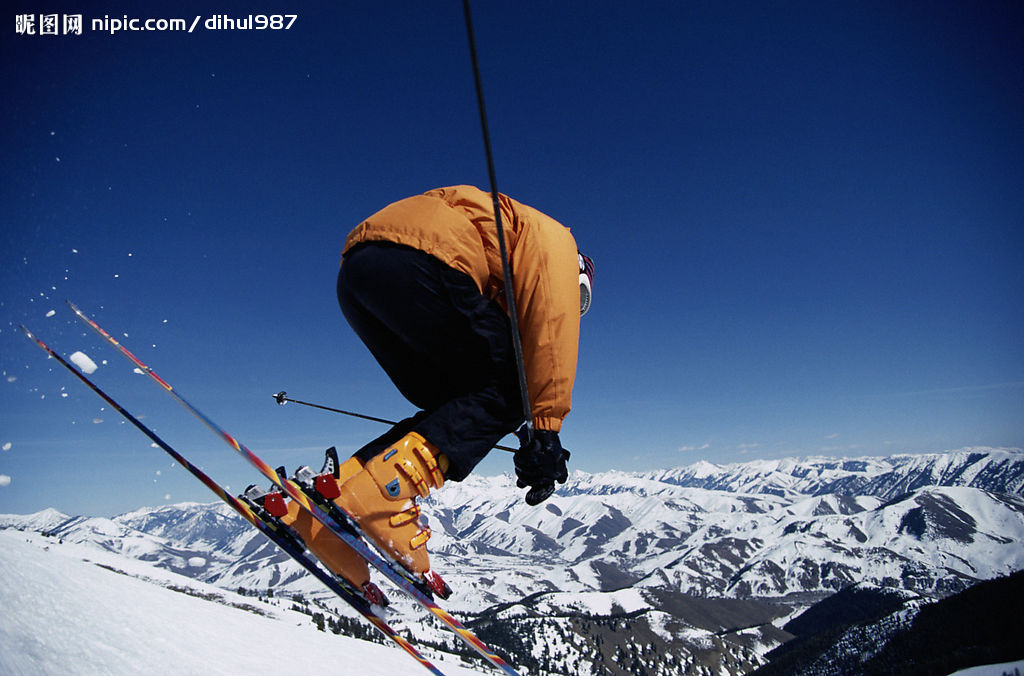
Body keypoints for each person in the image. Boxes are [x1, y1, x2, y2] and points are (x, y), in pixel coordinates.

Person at [282, 185, 593, 598]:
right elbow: (550, 326)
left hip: (360, 272)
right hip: (424, 260)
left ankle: (329, 512)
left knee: (458, 404)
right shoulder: (556, 240)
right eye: (580, 299)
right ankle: (382, 498)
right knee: (517, 386)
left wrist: (503, 419)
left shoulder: (504, 242)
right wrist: (546, 429)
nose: (577, 306)